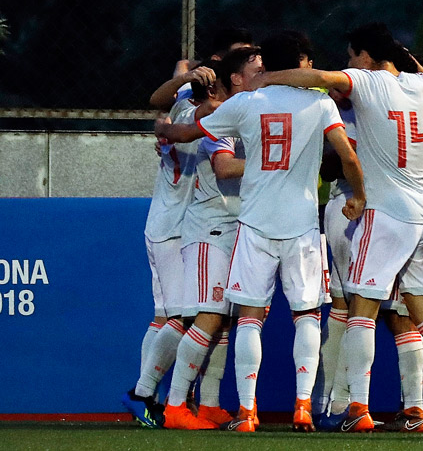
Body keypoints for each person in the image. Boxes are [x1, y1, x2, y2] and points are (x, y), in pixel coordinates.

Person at [254, 22, 423, 434]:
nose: (348, 62)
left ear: (365, 56)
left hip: (386, 213)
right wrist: (405, 53)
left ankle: (356, 409)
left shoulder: (367, 83)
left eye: (351, 54)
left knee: (360, 311)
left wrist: (269, 76)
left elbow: (321, 78)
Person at [155, 31, 365, 433]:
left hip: (254, 224)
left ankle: (247, 412)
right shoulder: (319, 102)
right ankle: (303, 406)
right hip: (301, 224)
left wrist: (165, 128)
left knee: (249, 319)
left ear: (266, 64)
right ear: (299, 62)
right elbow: (347, 154)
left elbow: (188, 132)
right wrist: (361, 194)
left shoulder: (246, 104)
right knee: (307, 315)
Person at [162, 46, 262, 430]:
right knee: (207, 318)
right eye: (258, 67)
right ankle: (173, 406)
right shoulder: (221, 114)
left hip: (237, 227)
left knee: (224, 322)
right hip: (211, 229)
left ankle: (208, 405)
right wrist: (276, 161)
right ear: (234, 79)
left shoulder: (244, 111)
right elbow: (223, 167)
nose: (265, 72)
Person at [122, 60, 214, 428]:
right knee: (181, 317)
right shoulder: (196, 117)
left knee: (165, 316)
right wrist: (188, 77)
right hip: (175, 227)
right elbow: (169, 105)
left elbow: (159, 98)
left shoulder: (180, 106)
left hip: (165, 221)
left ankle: (150, 398)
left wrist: (184, 74)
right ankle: (142, 393)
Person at [150, 27, 254, 111]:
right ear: (216, 60)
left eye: (248, 56)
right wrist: (182, 79)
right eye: (237, 57)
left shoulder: (258, 84)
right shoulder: (197, 89)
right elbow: (158, 102)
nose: (244, 62)